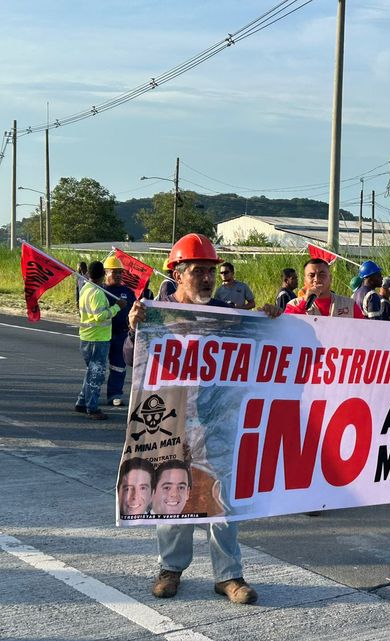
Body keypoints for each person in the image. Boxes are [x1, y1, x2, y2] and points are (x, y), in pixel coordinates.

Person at [126, 233, 274, 605]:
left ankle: (229, 576)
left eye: (211, 270)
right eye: (198, 271)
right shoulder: (155, 312)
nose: (207, 278)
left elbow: (262, 347)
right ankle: (170, 569)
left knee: (222, 499)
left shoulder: (226, 314)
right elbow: (133, 358)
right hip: (170, 418)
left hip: (216, 420)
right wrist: (135, 328)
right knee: (171, 494)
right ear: (178, 273)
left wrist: (270, 320)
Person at [75, 261, 126, 420]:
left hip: (87, 336)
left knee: (91, 372)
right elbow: (100, 315)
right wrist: (117, 307)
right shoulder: (96, 293)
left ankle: (82, 402)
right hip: (97, 338)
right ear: (103, 274)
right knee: (96, 375)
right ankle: (92, 407)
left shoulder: (86, 288)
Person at [103, 255, 137, 407]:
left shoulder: (128, 292)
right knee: (97, 366)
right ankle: (90, 396)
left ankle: (114, 394)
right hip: (102, 334)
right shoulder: (100, 290)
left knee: (118, 366)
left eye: (120, 272)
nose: (117, 275)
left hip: (122, 335)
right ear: (106, 273)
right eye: (114, 272)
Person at [285, 258, 364, 318]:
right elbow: (287, 327)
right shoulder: (293, 305)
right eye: (311, 275)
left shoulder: (350, 305)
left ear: (330, 279)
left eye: (322, 275)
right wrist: (304, 302)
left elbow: (363, 334)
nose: (316, 279)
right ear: (304, 280)